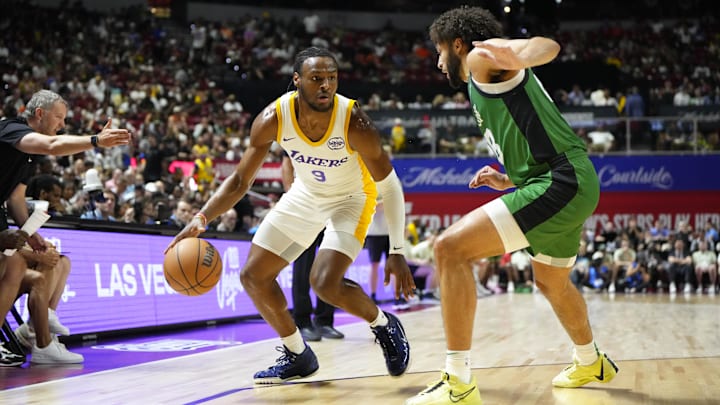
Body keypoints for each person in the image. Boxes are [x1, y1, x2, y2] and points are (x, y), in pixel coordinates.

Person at [406, 8, 618, 405]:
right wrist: (509, 181)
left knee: (448, 249)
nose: (438, 62)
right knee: (550, 281)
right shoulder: (482, 80)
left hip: (562, 180)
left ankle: (457, 381)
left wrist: (517, 54)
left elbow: (546, 46)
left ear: (456, 45)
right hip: (562, 180)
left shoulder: (480, 57)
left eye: (438, 51)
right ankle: (591, 361)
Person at [166, 47, 413, 384]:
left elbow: (391, 184)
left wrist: (397, 251)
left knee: (324, 282)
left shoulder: (354, 120)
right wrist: (202, 217)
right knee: (253, 276)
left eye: (331, 78)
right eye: (316, 79)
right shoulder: (272, 118)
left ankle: (384, 325)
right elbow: (240, 180)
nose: (326, 86)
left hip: (351, 198)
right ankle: (298, 353)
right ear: (297, 81)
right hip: (306, 193)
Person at [0, 89, 130, 363]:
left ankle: (37, 329)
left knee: (59, 260)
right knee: (21, 265)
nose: (61, 124)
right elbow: (52, 145)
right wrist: (95, 140)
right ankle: (41, 336)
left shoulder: (30, 156)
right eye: (58, 118)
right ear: (39, 114)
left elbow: (16, 198)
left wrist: (33, 236)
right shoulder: (11, 129)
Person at [281, 154, 344, 341]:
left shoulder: (337, 137)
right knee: (303, 267)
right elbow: (286, 163)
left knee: (330, 267)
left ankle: (324, 321)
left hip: (331, 208)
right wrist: (290, 195)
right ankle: (302, 321)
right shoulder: (301, 131)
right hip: (305, 208)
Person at [365, 196, 390, 304]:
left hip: (391, 232)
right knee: (374, 264)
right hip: (374, 233)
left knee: (394, 264)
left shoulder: (393, 183)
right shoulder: (368, 183)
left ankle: (399, 295)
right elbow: (370, 206)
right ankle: (373, 295)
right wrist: (385, 202)